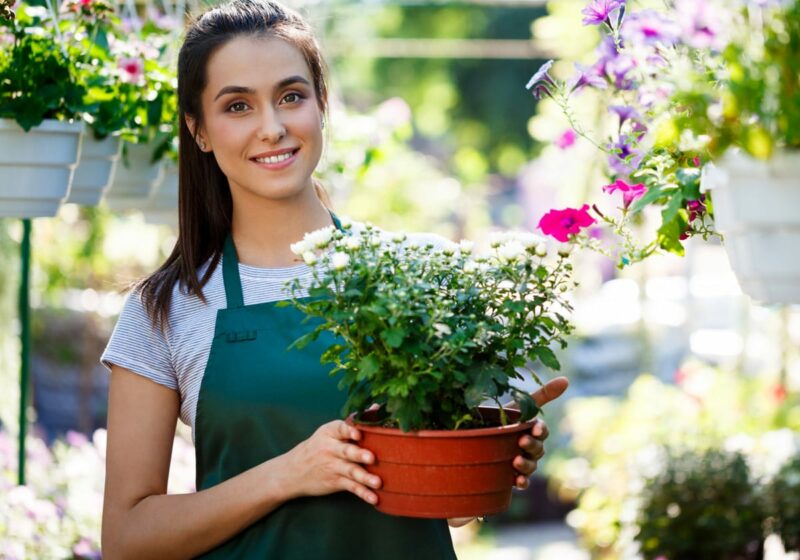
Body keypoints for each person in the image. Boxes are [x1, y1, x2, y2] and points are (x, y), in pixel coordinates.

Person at [99, 0, 569, 558]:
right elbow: (128, 539)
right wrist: (289, 473)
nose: (272, 128)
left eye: (291, 97)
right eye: (238, 106)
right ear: (198, 130)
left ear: (322, 104)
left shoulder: (416, 273)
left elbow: (452, 508)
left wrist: (488, 453)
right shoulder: (167, 309)